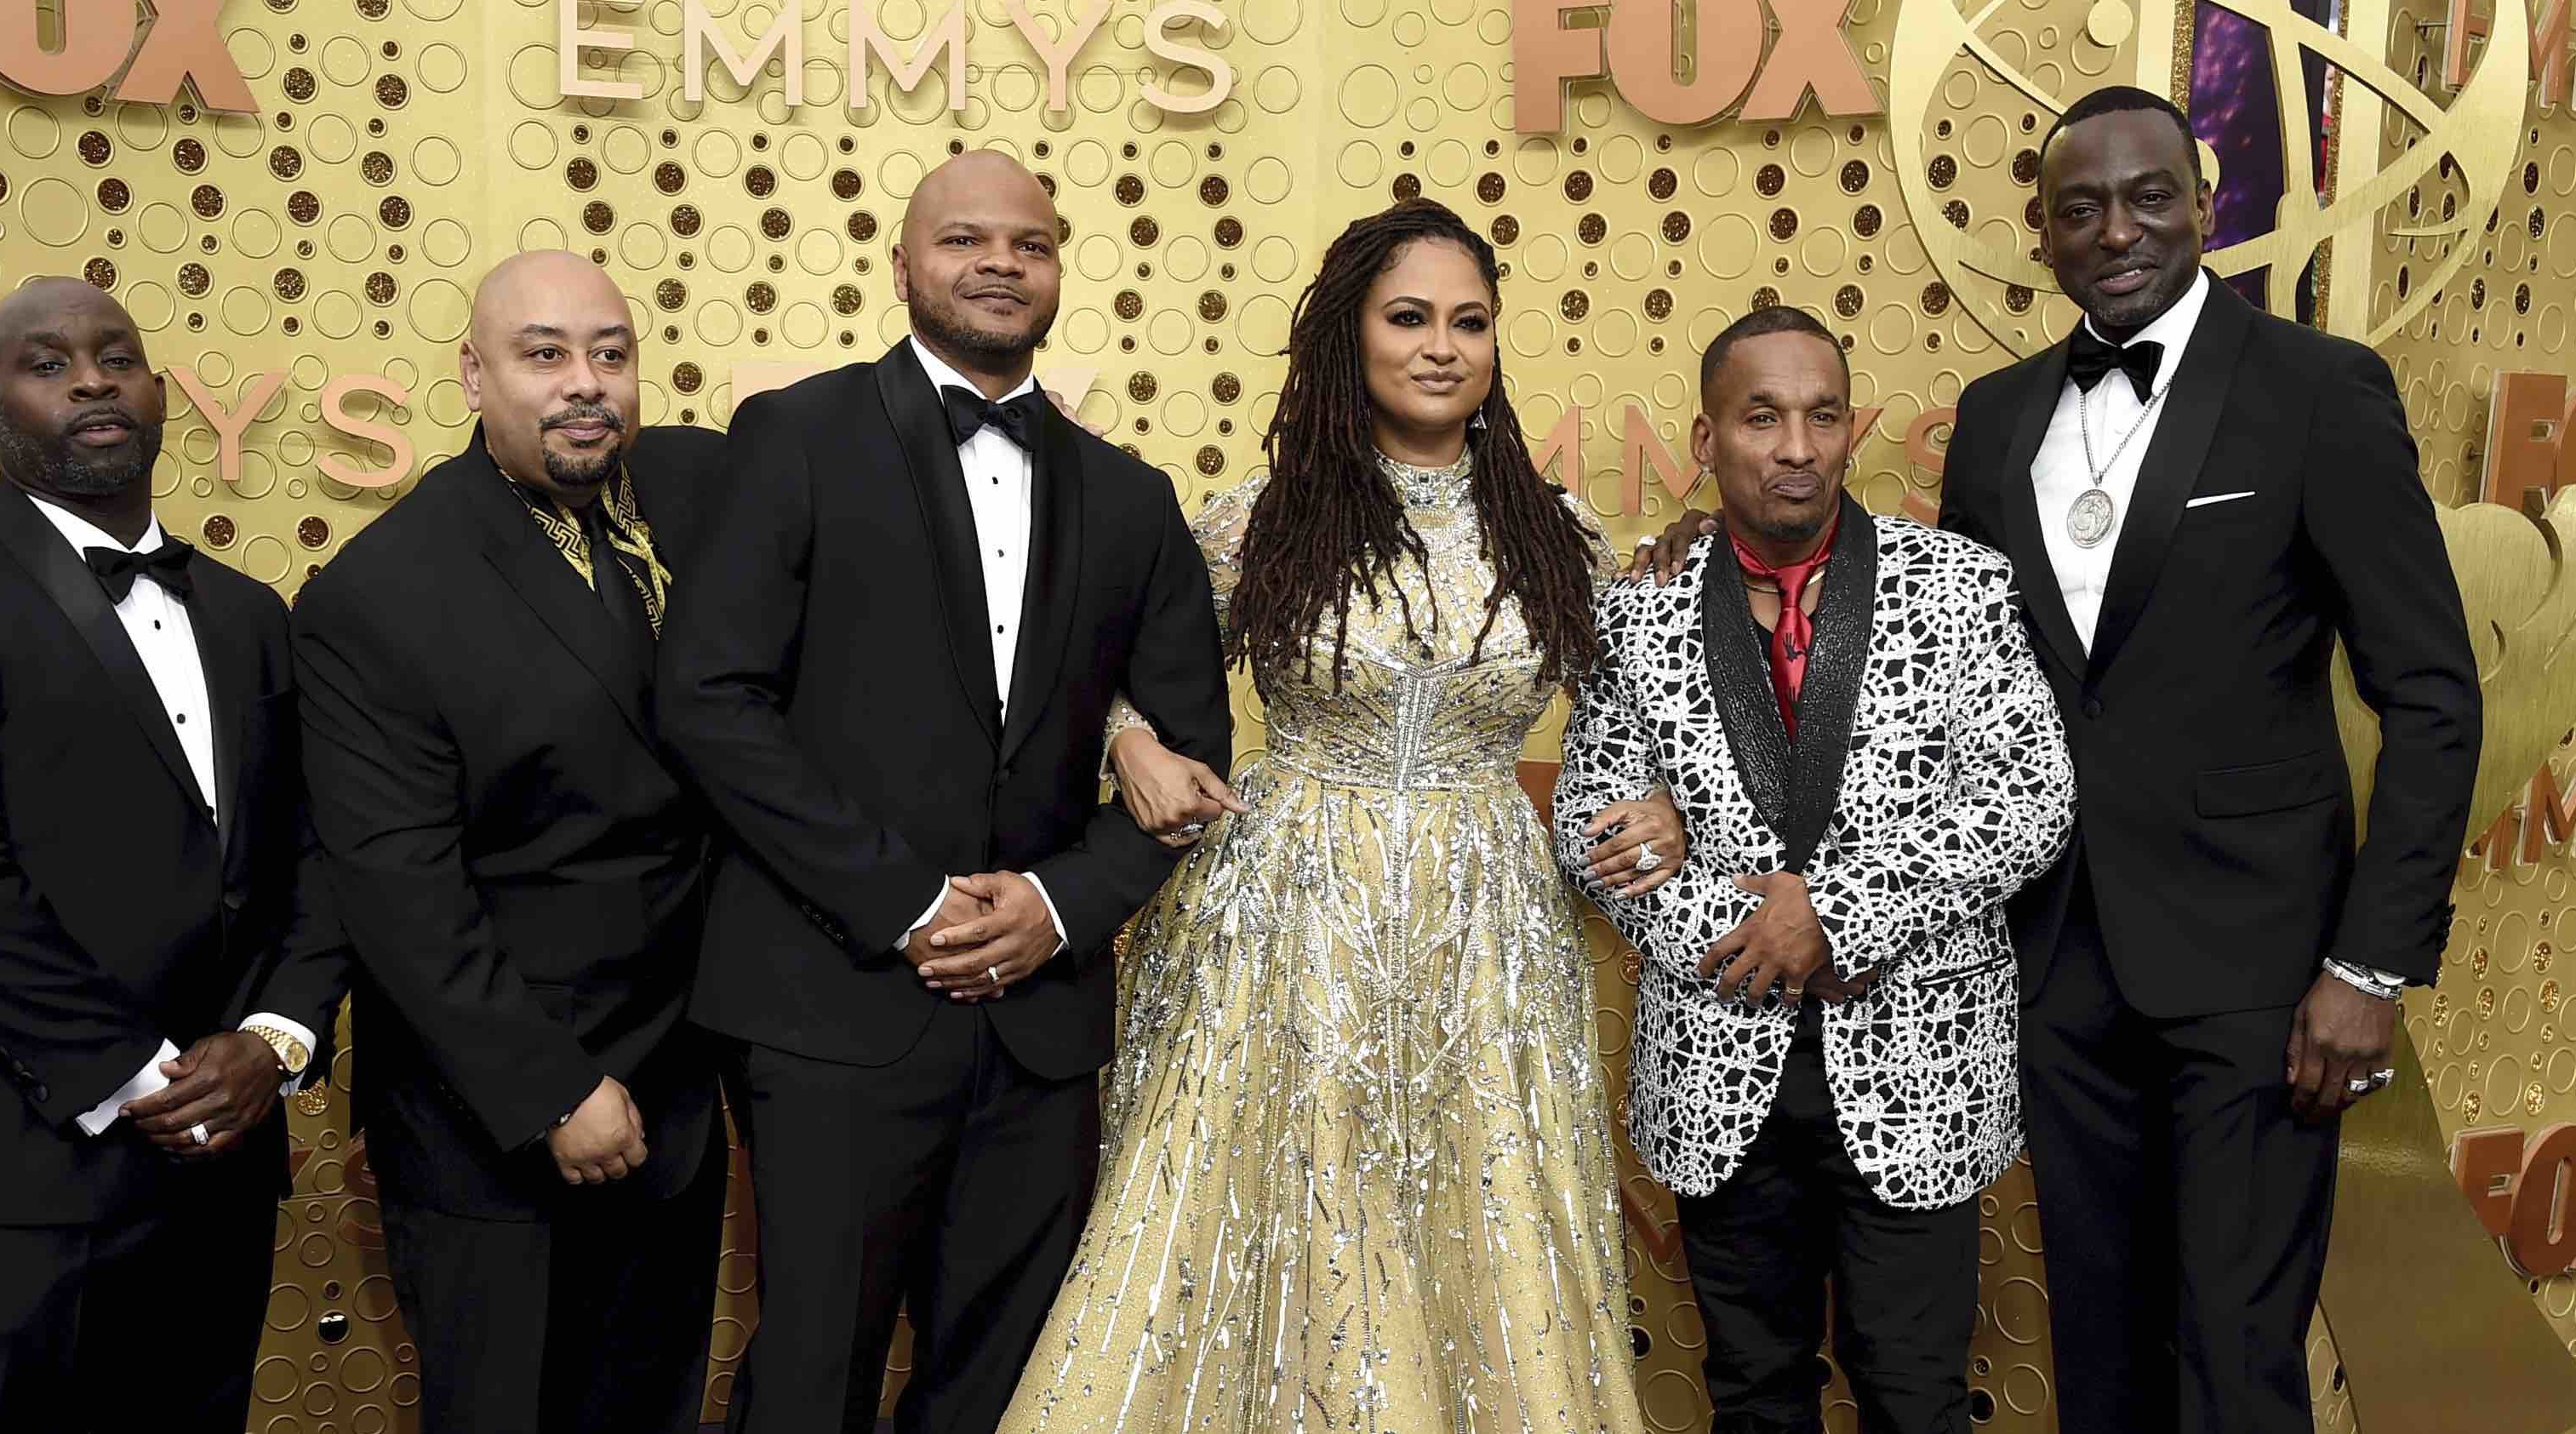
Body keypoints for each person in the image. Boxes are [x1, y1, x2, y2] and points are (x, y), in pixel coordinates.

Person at [1638, 88, 2481, 1431]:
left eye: (2149, 196)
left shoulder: (2320, 392)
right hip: (2055, 966)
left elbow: (2433, 694)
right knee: (2101, 1342)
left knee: (2234, 1345)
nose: (2118, 231)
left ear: (2206, 201)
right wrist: (1697, 550)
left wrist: (2369, 963)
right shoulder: (2000, 416)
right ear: (2042, 235)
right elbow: (1937, 640)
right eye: (2079, 208)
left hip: (2258, 967)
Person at [997, 198, 1678, 1431]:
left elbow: (1637, 716)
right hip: (1285, 916)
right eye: (1408, 316)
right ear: (1348, 338)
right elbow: (1097, 678)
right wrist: (1132, 739)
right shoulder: (1260, 518)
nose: (1440, 346)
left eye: (1469, 322)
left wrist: (1651, 802)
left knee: (1486, 1210)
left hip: (1488, 927)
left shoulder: (1557, 528)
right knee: (1291, 1206)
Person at [654, 150, 1233, 1434]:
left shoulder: (1132, 499)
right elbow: (710, 700)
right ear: (904, 264)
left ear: (1061, 268)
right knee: (812, 1371)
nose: (997, 263)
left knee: (1006, 1380)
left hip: (1041, 1023)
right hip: (831, 1002)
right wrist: (908, 901)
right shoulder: (795, 436)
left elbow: (1190, 759)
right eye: (965, 240)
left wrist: (1056, 904)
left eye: (1027, 243)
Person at [0, 277, 348, 1432]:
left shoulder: (253, 612)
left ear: (158, 392)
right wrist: (146, 1074)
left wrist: (274, 1040)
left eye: (117, 355)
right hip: (24, 1164)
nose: (92, 378)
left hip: (228, 1153)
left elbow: (311, 855)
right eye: (47, 364)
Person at [1564, 306, 2072, 1434]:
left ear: (1851, 430)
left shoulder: (1961, 584)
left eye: (1822, 414)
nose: (1796, 445)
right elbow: (1593, 824)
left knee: (1916, 1395)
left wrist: (1835, 914)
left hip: (1919, 1066)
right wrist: (1741, 930)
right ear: (1707, 440)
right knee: (1753, 1396)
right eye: (1761, 417)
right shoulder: (1639, 607)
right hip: (1718, 1057)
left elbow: (2029, 798)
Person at [292, 250, 730, 1434]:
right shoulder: (379, 592)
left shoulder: (697, 499)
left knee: (649, 1409)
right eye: (544, 355)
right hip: (497, 1120)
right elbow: (397, 890)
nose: (584, 383)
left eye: (610, 353)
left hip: (679, 1088)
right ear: (474, 376)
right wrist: (551, 1089)